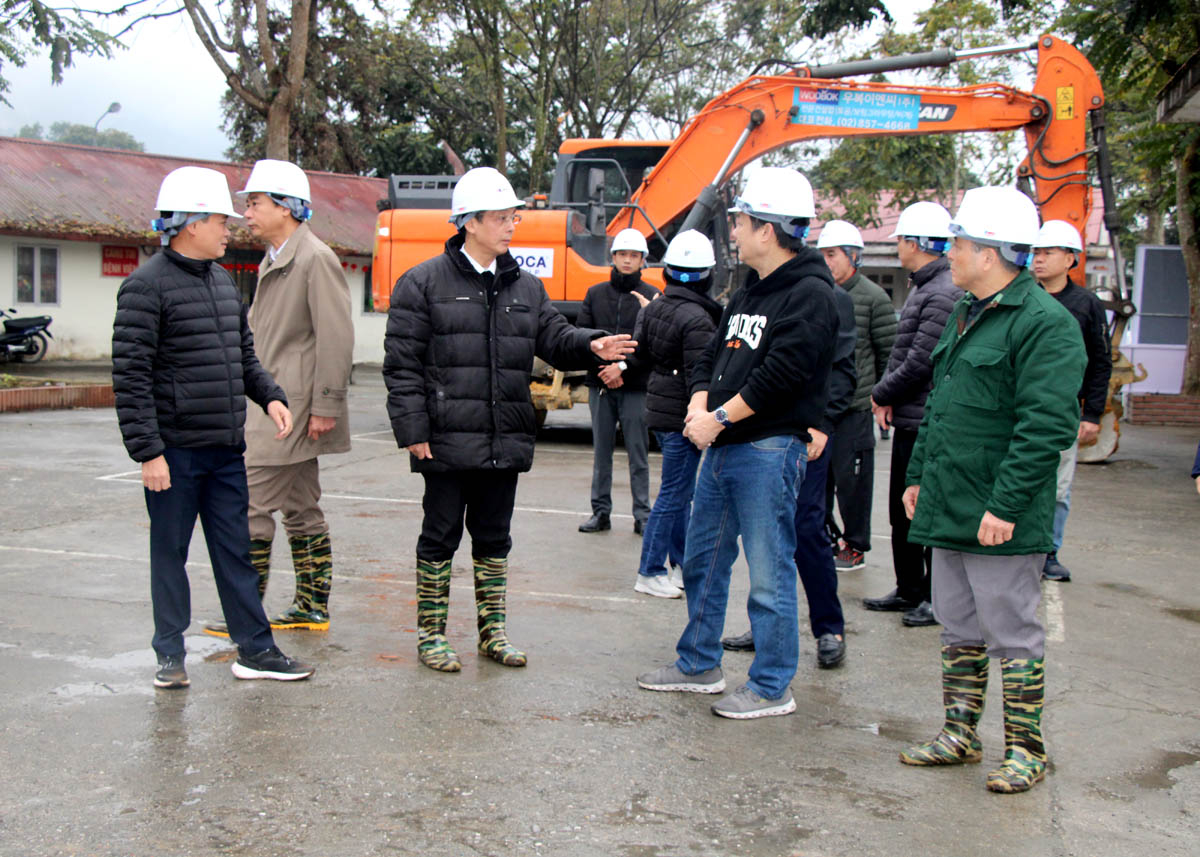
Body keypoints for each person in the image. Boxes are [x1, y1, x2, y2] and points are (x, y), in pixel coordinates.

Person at [383, 166, 637, 672]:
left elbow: (556, 339)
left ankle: (491, 633)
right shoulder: (422, 284)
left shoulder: (526, 287)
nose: (511, 225)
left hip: (504, 437)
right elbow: (402, 365)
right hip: (446, 438)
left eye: (512, 217)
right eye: (501, 217)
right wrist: (413, 431)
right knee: (439, 536)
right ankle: (431, 635)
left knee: (495, 537)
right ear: (469, 222)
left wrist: (592, 344)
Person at [898, 186, 1085, 793]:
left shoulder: (1044, 325)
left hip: (998, 513)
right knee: (957, 625)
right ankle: (960, 734)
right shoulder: (966, 310)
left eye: (960, 242)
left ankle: (1027, 750)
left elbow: (1046, 429)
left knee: (1013, 631)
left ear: (991, 252)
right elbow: (942, 406)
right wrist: (918, 475)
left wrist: (1005, 506)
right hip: (950, 501)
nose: (949, 252)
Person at [636, 166, 838, 719]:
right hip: (725, 446)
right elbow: (712, 357)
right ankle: (698, 663)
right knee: (703, 560)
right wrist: (700, 402)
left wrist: (718, 418)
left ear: (768, 230)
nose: (736, 231)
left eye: (742, 221)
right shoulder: (750, 289)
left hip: (768, 450)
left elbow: (782, 375)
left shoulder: (811, 295)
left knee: (770, 574)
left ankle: (773, 685)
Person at [112, 166, 316, 689]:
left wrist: (270, 395)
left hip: (225, 451)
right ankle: (169, 655)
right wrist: (148, 453)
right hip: (174, 454)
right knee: (169, 555)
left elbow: (243, 357)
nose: (230, 229)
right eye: (219, 221)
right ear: (187, 224)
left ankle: (256, 650)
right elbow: (130, 379)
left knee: (236, 552)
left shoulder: (224, 283)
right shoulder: (144, 288)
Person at [202, 160, 355, 637]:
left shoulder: (314, 259)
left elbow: (337, 337)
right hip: (274, 405)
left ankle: (245, 617)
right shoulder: (276, 259)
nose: (246, 211)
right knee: (301, 505)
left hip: (294, 409)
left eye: (255, 202)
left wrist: (326, 405)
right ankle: (312, 606)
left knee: (248, 503)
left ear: (287, 208)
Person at [722, 253, 858, 669]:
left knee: (806, 528)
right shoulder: (757, 293)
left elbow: (841, 371)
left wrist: (822, 424)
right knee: (764, 538)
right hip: (763, 435)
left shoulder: (827, 298)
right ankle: (765, 629)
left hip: (806, 434)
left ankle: (828, 628)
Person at [867, 201, 962, 627]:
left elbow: (921, 360)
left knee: (922, 513)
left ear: (919, 243)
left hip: (924, 421)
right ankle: (909, 589)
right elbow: (901, 352)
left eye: (902, 240)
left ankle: (931, 596)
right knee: (900, 513)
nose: (899, 247)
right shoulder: (927, 286)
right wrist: (888, 395)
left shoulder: (942, 291)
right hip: (908, 415)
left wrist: (880, 393)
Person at [630, 230, 723, 598]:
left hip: (660, 410)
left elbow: (643, 355)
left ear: (667, 271)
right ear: (707, 275)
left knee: (679, 493)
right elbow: (697, 378)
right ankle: (650, 570)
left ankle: (681, 565)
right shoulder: (699, 319)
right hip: (682, 417)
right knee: (673, 495)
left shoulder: (654, 308)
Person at [1032, 220, 1112, 583]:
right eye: (1035, 252)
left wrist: (1092, 413)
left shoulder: (1085, 304)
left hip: (1063, 411)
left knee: (1059, 486)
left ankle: (1049, 551)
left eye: (1048, 253)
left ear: (1070, 259)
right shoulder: (1021, 298)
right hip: (1018, 409)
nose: (1039, 260)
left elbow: (1100, 361)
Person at [816, 220, 896, 572]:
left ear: (853, 256)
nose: (827, 261)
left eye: (832, 254)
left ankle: (856, 544)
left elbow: (889, 353)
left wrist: (881, 396)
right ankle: (825, 538)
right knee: (817, 482)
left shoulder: (873, 298)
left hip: (855, 409)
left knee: (853, 483)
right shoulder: (818, 294)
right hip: (821, 409)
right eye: (823, 254)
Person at [577, 228, 660, 535]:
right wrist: (604, 369)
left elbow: (652, 344)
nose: (627, 260)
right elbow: (583, 337)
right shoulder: (595, 293)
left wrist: (621, 368)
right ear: (613, 257)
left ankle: (642, 514)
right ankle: (600, 512)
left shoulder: (652, 296)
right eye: (622, 254)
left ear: (642, 261)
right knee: (602, 452)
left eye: (634, 256)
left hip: (635, 386)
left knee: (638, 453)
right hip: (600, 384)